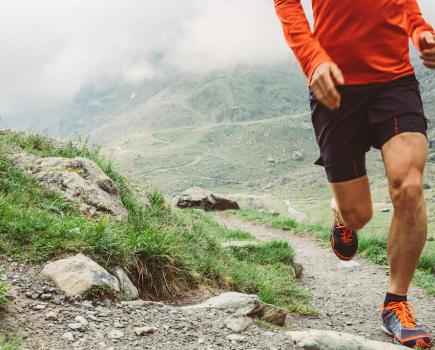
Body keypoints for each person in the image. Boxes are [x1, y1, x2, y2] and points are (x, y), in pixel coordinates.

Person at [274, 0, 435, 348]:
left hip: (395, 81)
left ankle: (396, 304)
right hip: (334, 84)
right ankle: (341, 213)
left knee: (409, 186)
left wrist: (419, 28)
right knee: (358, 215)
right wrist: (312, 58)